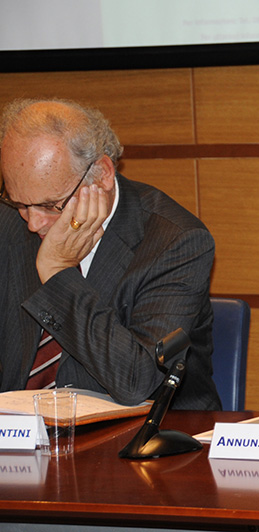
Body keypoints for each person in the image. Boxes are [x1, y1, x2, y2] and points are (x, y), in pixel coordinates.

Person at [0, 98, 220, 409]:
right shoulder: (7, 223)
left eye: (50, 206)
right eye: (19, 203)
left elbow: (136, 382)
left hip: (145, 432)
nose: (34, 223)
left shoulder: (175, 242)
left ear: (102, 175)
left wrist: (58, 272)